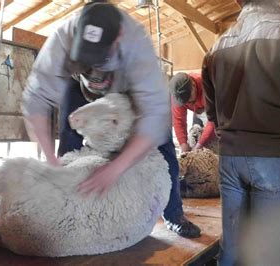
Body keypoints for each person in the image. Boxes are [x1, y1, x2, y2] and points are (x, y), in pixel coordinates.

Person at [22, 2, 201, 238]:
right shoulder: (62, 37)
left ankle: (173, 213)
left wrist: (115, 168)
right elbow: (36, 99)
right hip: (80, 86)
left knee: (164, 146)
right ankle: (68, 212)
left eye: (99, 56)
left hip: (127, 89)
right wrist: (50, 159)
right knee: (69, 140)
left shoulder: (138, 46)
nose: (95, 63)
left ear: (119, 37)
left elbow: (154, 118)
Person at [202, 0, 280, 264]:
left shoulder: (217, 45)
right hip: (278, 159)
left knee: (231, 250)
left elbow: (212, 113)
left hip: (231, 160)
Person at [168, 72, 216, 152]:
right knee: (194, 136)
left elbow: (214, 120)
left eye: (189, 97)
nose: (187, 102)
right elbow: (179, 121)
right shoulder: (178, 95)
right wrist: (183, 144)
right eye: (184, 101)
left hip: (216, 109)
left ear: (193, 85)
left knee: (214, 142)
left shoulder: (208, 86)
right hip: (198, 110)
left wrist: (200, 144)